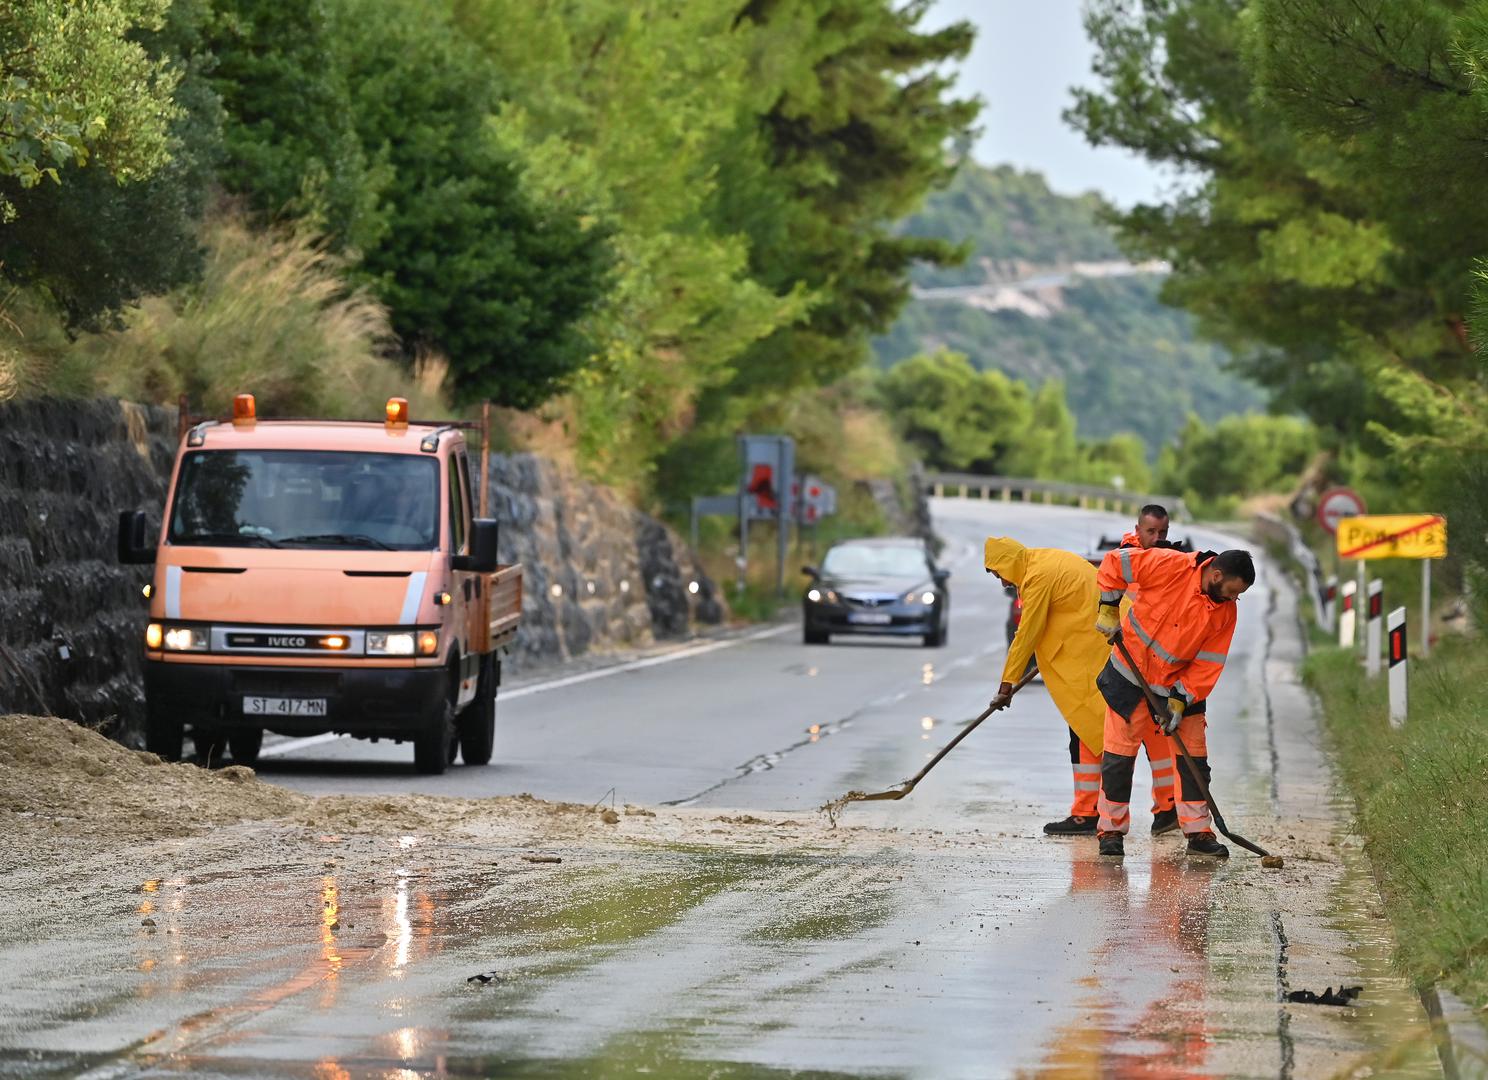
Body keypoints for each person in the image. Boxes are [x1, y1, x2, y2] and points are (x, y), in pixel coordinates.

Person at [1092, 546, 1255, 858]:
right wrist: (1109, 607)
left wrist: (1181, 698)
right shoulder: (1169, 565)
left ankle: (1198, 833)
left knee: (1193, 760)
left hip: (1179, 688)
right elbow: (1115, 563)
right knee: (1118, 759)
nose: (1233, 600)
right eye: (1232, 592)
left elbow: (1209, 662)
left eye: (1239, 596)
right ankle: (1110, 832)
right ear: (1216, 575)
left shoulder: (1225, 612)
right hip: (1131, 676)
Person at [984, 537, 1109, 836]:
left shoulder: (1037, 576)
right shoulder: (1043, 561)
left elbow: (1028, 631)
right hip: (1095, 648)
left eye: (1000, 574)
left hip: (1095, 653)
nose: (1002, 583)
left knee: (1088, 730)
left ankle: (1088, 815)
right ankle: (1092, 812)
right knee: (1089, 732)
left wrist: (1007, 684)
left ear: (1008, 564)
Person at [1114, 504, 1180, 836]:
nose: (1156, 538)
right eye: (1151, 531)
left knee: (1163, 745)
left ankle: (1167, 810)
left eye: (1163, 532)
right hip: (1127, 668)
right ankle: (1110, 827)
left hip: (1159, 673)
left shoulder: (1171, 561)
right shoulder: (1126, 561)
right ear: (1137, 529)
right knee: (1119, 749)